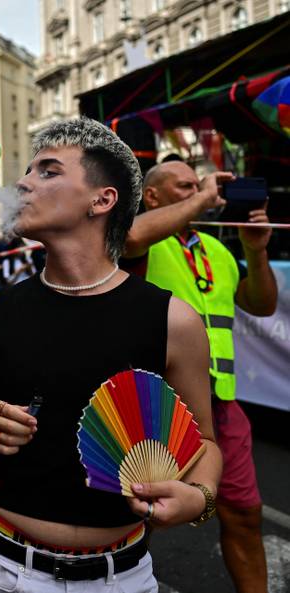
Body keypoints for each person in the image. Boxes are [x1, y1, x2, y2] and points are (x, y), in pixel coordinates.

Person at [0, 118, 222, 592]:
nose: (23, 182)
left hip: (121, 575)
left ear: (102, 200)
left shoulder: (174, 321)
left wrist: (199, 498)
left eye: (47, 171)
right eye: (27, 171)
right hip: (2, 569)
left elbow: (204, 441)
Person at [123, 160, 276, 593]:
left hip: (221, 407)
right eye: (184, 185)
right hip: (154, 409)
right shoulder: (137, 238)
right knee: (140, 519)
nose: (199, 190)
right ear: (151, 197)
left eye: (200, 185)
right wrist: (204, 198)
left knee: (245, 514)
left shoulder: (216, 248)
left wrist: (256, 250)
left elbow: (260, 304)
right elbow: (132, 237)